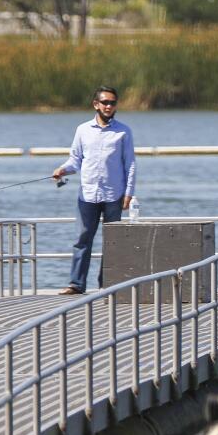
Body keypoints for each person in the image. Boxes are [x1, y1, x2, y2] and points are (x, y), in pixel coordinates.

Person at [53, 85, 136, 295]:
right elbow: (75, 160)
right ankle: (76, 284)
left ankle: (106, 285)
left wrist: (128, 193)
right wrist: (62, 170)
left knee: (112, 242)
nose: (109, 106)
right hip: (87, 195)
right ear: (96, 104)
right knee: (82, 240)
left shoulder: (123, 132)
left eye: (113, 103)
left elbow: (130, 164)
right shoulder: (83, 130)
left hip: (113, 195)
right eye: (105, 102)